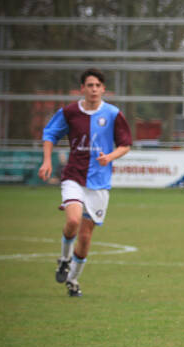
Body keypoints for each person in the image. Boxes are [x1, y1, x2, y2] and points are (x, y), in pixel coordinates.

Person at [38, 68, 132, 297]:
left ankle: (73, 280)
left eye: (97, 85)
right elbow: (50, 134)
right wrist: (47, 160)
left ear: (103, 89)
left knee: (86, 237)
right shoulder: (70, 112)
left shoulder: (113, 114)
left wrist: (109, 157)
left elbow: (125, 145)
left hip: (99, 182)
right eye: (89, 85)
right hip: (74, 176)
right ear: (82, 88)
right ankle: (64, 259)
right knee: (73, 220)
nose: (94, 89)